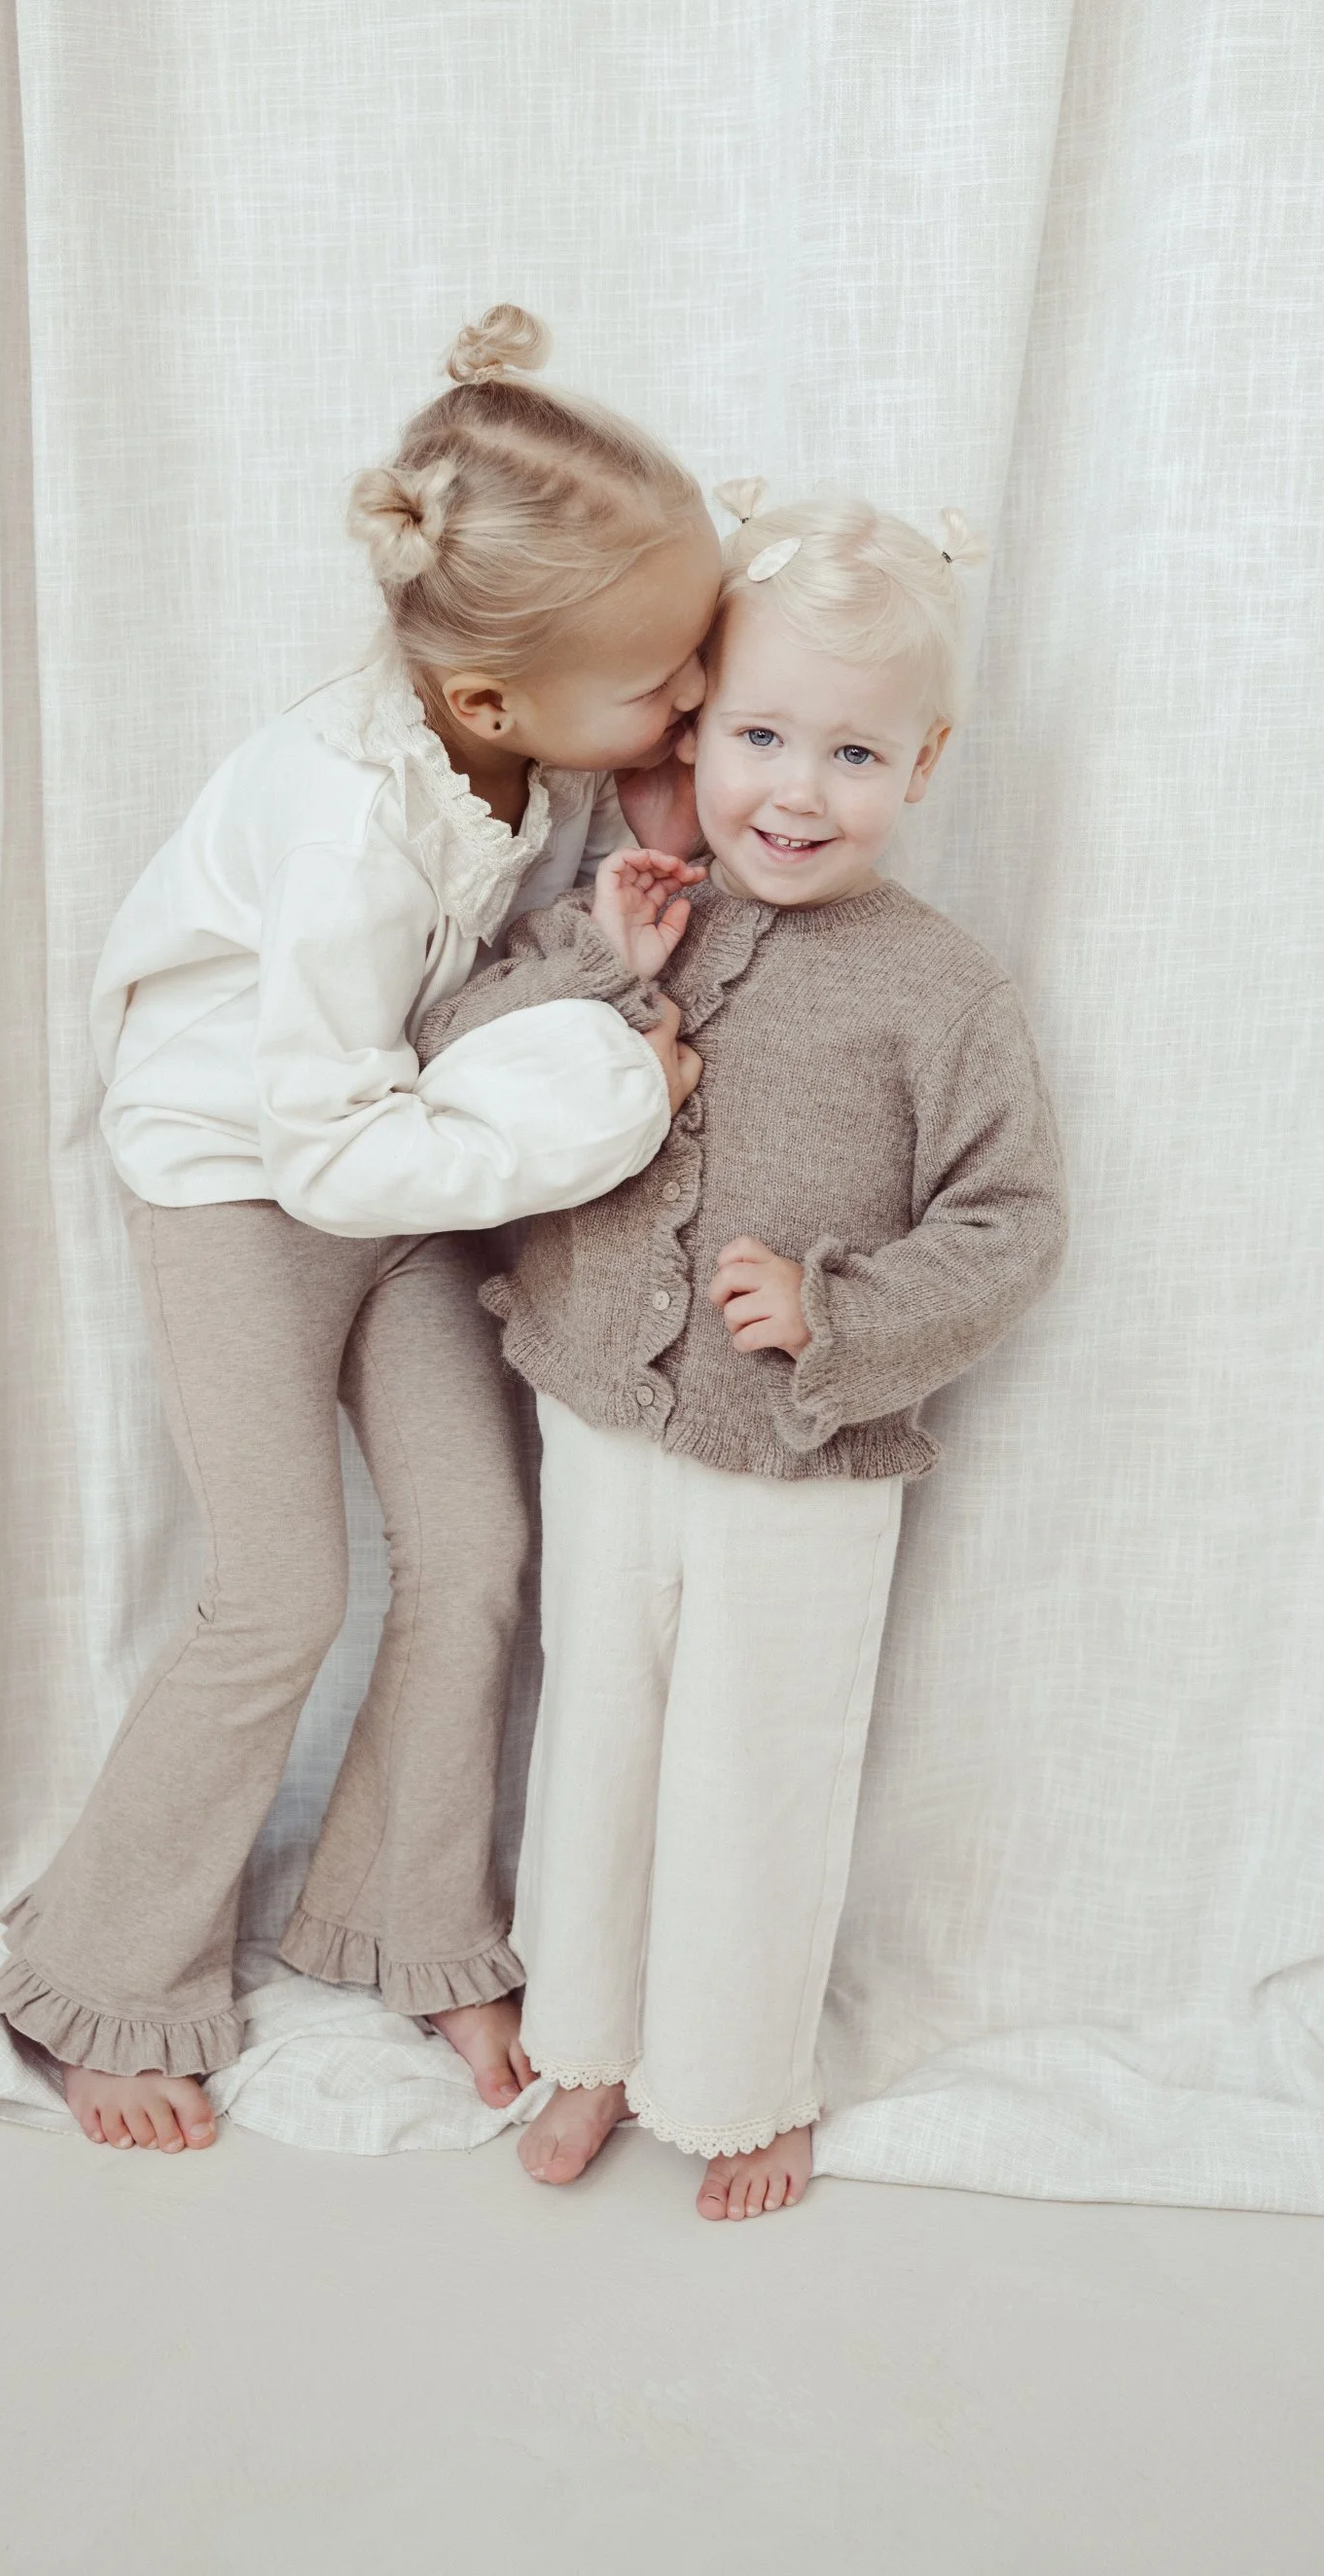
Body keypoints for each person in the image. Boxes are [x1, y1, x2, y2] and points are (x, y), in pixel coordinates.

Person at [0, 308, 715, 2155]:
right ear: (494, 700)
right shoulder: (346, 821)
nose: (695, 702)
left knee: (475, 1549)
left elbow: (441, 1021)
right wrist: (615, 1096)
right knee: (279, 1597)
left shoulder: (517, 754)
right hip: (248, 1183)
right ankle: (97, 1975)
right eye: (666, 683)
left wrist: (591, 950)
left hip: (396, 1160)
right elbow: (323, 1150)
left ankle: (408, 1925)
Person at [415, 482, 1069, 2218]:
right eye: (764, 736)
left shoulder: (938, 989)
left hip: (799, 1452)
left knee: (756, 1767)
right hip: (603, 1416)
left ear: (924, 765)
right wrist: (595, 962)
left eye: (854, 755)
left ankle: (739, 2079)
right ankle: (586, 2042)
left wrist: (841, 1314)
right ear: (695, 728)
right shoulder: (634, 905)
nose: (797, 790)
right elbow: (459, 1064)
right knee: (599, 1741)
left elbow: (1013, 1220)